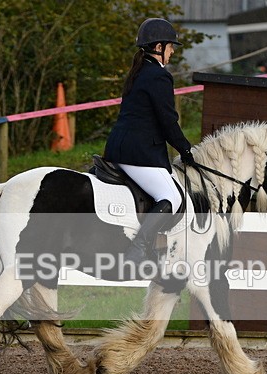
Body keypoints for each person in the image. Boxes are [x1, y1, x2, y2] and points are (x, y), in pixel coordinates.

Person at [104, 18, 195, 265]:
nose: (173, 50)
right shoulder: (158, 76)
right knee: (173, 197)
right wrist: (186, 149)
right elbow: (167, 120)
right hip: (139, 152)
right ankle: (138, 249)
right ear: (158, 46)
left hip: (120, 147)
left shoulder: (140, 71)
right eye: (171, 46)